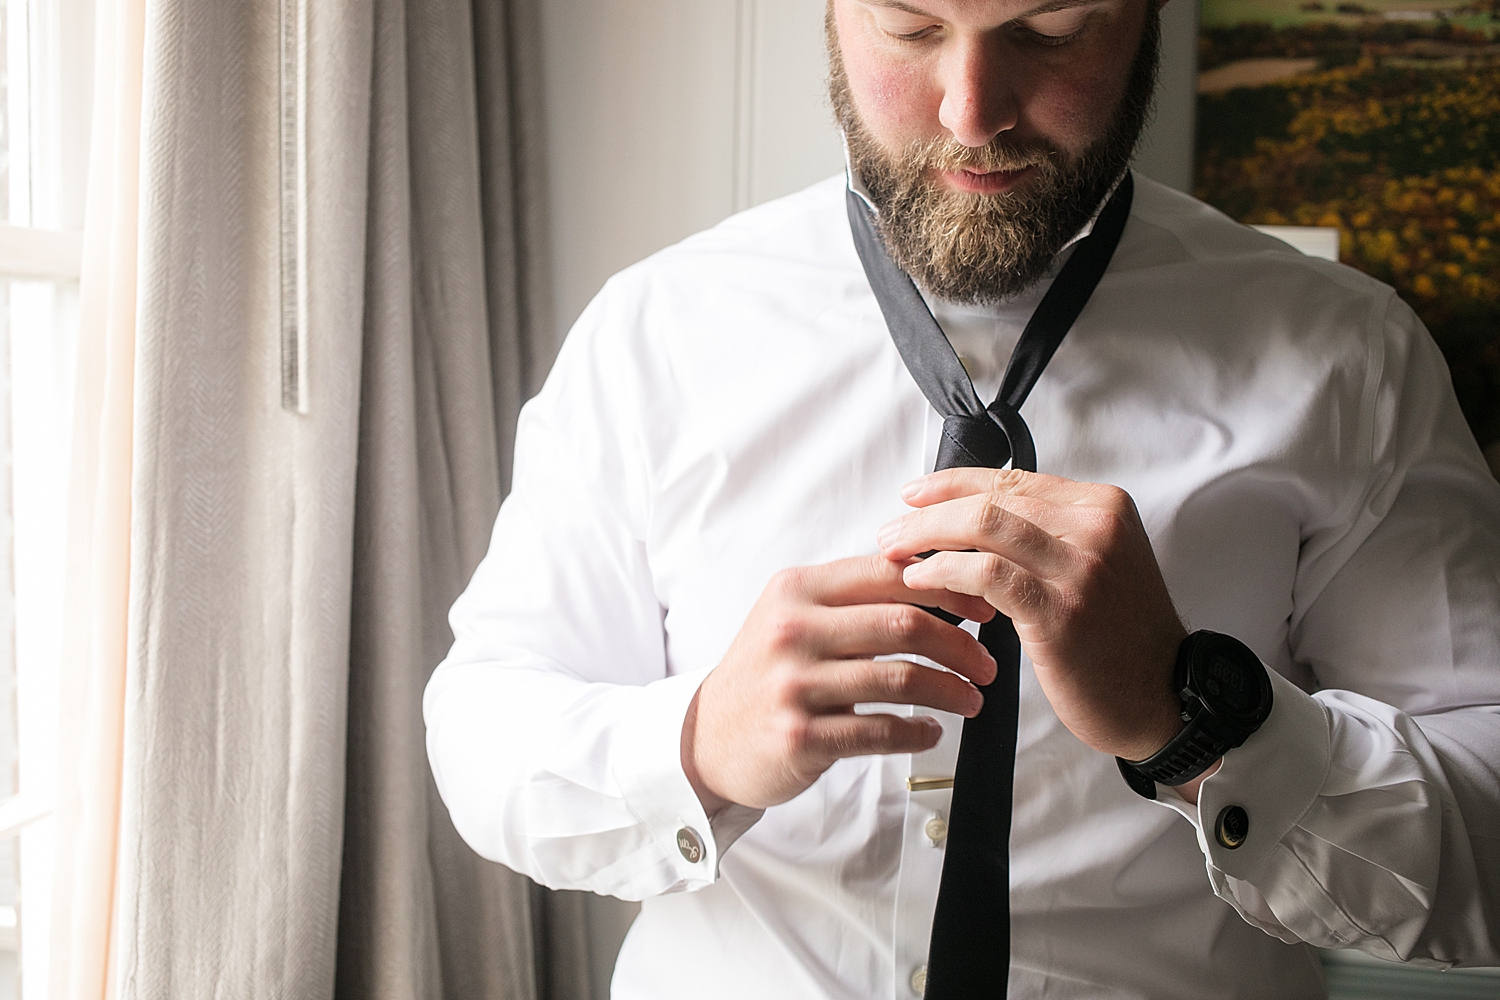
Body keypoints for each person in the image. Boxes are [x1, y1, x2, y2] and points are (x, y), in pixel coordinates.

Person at [423, 0, 1500, 996]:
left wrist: (1197, 718)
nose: (971, 111)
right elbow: (481, 729)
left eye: (1050, 28)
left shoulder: (1348, 359)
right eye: (910, 25)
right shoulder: (656, 334)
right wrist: (703, 740)